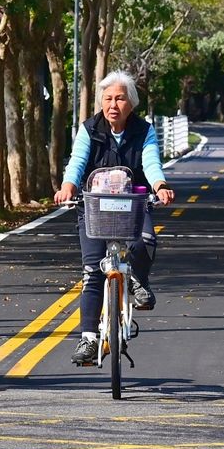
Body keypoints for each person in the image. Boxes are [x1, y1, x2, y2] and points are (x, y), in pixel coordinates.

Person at [53, 70, 175, 366]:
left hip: (132, 205)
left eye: (120, 98)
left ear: (131, 103)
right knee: (92, 272)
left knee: (146, 240)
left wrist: (160, 186)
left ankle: (138, 281)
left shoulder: (144, 131)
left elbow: (151, 162)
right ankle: (89, 339)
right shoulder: (89, 128)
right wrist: (68, 185)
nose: (113, 104)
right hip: (94, 207)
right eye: (108, 98)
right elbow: (78, 161)